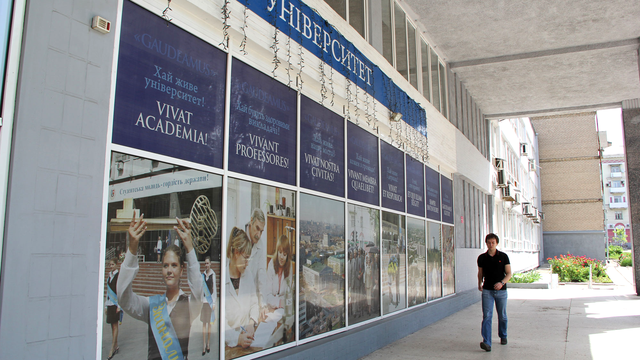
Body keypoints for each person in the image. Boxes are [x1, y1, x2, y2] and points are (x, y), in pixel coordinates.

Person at [118, 214, 203, 360]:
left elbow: (198, 290)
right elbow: (123, 298)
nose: (169, 270)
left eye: (174, 265)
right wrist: (132, 249)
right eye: (165, 266)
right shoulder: (151, 305)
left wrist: (189, 248)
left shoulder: (189, 304)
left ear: (182, 269)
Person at [225, 227, 259, 348]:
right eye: (245, 258)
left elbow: (254, 304)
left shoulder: (247, 274)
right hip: (228, 349)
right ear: (236, 252)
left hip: (246, 344)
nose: (247, 263)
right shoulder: (222, 279)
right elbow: (220, 324)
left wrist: (251, 323)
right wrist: (238, 339)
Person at [477, 233, 512, 352]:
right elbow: (480, 273)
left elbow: (509, 273)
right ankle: (487, 342)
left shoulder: (503, 256)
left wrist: (502, 283)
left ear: (497, 243)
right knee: (487, 316)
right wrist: (479, 283)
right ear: (486, 243)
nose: (491, 245)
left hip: (501, 291)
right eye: (488, 242)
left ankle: (503, 335)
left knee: (502, 315)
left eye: (493, 242)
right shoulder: (482, 258)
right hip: (487, 291)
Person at [263, 235, 292, 313]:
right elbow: (268, 294)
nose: (282, 257)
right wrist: (279, 303)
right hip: (271, 308)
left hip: (282, 309)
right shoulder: (271, 264)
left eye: (284, 254)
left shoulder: (289, 267)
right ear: (277, 252)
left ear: (287, 256)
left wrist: (282, 303)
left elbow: (288, 294)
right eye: (280, 253)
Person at [244, 209, 267, 306]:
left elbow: (261, 275)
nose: (259, 235)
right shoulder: (239, 237)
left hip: (251, 297)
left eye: (261, 231)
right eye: (257, 228)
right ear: (251, 220)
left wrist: (262, 303)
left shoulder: (260, 245)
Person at [105, 258, 121, 360]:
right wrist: (106, 305)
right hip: (110, 303)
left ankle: (112, 348)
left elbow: (119, 291)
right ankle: (116, 345)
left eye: (112, 264)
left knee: (115, 326)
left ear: (116, 265)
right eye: (110, 265)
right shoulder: (109, 276)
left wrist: (119, 306)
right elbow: (107, 291)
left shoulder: (118, 276)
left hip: (116, 304)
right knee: (112, 325)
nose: (111, 266)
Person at [201, 256, 217, 356]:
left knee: (210, 324)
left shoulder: (213, 274)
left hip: (210, 302)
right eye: (205, 263)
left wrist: (214, 303)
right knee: (204, 324)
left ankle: (208, 344)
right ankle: (203, 345)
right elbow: (201, 289)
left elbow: (214, 289)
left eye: (208, 263)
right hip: (204, 302)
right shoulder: (202, 275)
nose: (206, 265)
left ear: (210, 264)